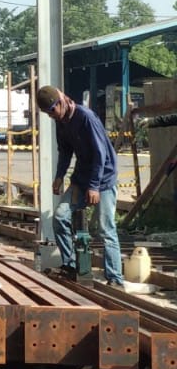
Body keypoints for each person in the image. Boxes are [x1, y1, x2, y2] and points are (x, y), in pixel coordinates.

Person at [39, 85, 123, 286]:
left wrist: (94, 186)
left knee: (105, 230)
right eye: (46, 113)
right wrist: (59, 176)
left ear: (61, 102)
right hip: (81, 178)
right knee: (60, 217)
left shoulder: (86, 117)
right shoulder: (61, 121)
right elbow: (65, 151)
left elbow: (99, 154)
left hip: (102, 180)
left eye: (51, 111)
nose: (50, 116)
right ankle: (70, 265)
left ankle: (115, 278)